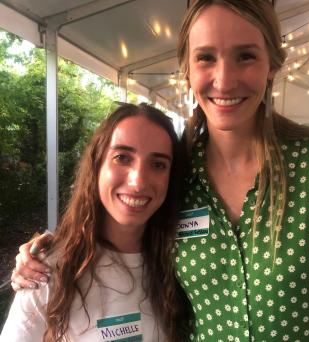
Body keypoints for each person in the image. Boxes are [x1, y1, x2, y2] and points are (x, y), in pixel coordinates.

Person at [9, 0, 309, 341]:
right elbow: (122, 215)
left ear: (272, 65)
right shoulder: (176, 170)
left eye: (245, 56)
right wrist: (47, 251)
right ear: (187, 69)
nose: (225, 79)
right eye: (206, 58)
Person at [1, 103, 192, 341]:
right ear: (97, 165)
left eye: (158, 164)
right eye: (122, 157)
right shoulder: (47, 271)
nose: (139, 182)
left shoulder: (182, 262)